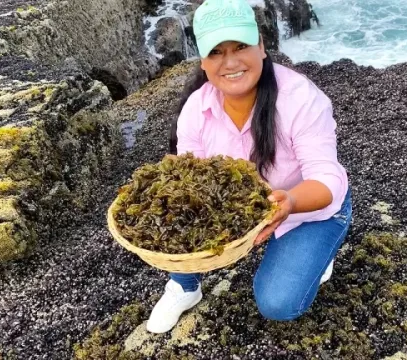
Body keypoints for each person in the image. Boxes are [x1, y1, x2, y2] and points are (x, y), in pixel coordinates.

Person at [146, 0, 352, 334]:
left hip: (308, 204)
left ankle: (319, 249)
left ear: (261, 45)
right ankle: (184, 286)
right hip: (239, 204)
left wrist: (290, 202)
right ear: (203, 60)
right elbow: (188, 181)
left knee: (279, 304)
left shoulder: (300, 99)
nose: (230, 62)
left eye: (240, 46)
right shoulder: (196, 109)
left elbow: (326, 178)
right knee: (173, 207)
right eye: (216, 52)